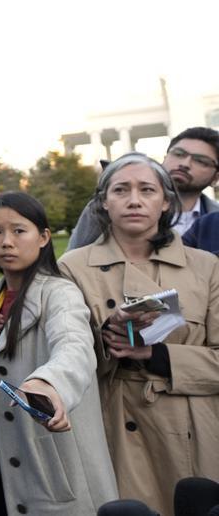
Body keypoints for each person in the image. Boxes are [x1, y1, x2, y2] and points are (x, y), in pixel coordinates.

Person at [59, 153, 219, 516]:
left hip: (195, 428)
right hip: (114, 423)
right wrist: (107, 340)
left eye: (147, 190)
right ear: (103, 200)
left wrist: (156, 356)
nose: (134, 200)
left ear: (165, 201)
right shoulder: (72, 267)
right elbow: (65, 353)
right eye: (121, 190)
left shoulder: (207, 267)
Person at [0, 191, 118, 515]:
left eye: (18, 231)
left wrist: (50, 383)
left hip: (51, 466)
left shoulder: (60, 293)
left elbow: (75, 346)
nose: (6, 242)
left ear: (43, 237)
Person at [68, 127, 219, 250]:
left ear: (216, 178)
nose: (185, 164)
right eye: (178, 154)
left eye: (201, 161)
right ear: (165, 156)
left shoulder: (213, 220)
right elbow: (75, 261)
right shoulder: (105, 208)